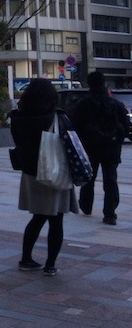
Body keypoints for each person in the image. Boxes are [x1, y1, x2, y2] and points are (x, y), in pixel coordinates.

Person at [8, 78, 77, 276]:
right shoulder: (55, 117)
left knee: (38, 217)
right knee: (56, 219)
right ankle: (50, 264)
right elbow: (70, 141)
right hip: (56, 170)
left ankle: (26, 258)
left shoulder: (18, 118)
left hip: (31, 172)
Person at [71, 71, 125, 225]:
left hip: (91, 147)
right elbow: (124, 127)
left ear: (89, 84)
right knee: (111, 179)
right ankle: (110, 213)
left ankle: (86, 206)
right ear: (104, 83)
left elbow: (76, 127)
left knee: (89, 176)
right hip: (112, 147)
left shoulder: (83, 104)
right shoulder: (116, 104)